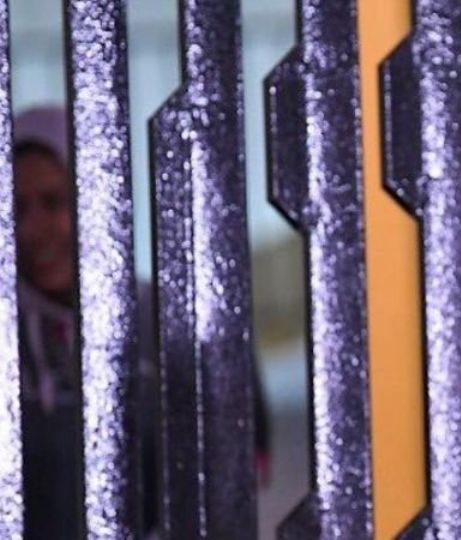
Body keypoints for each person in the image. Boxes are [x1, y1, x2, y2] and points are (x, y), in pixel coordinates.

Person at [13, 105, 270, 538]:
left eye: (54, 202)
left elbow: (230, 475)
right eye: (17, 209)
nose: (33, 230)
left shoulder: (171, 322)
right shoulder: (9, 333)